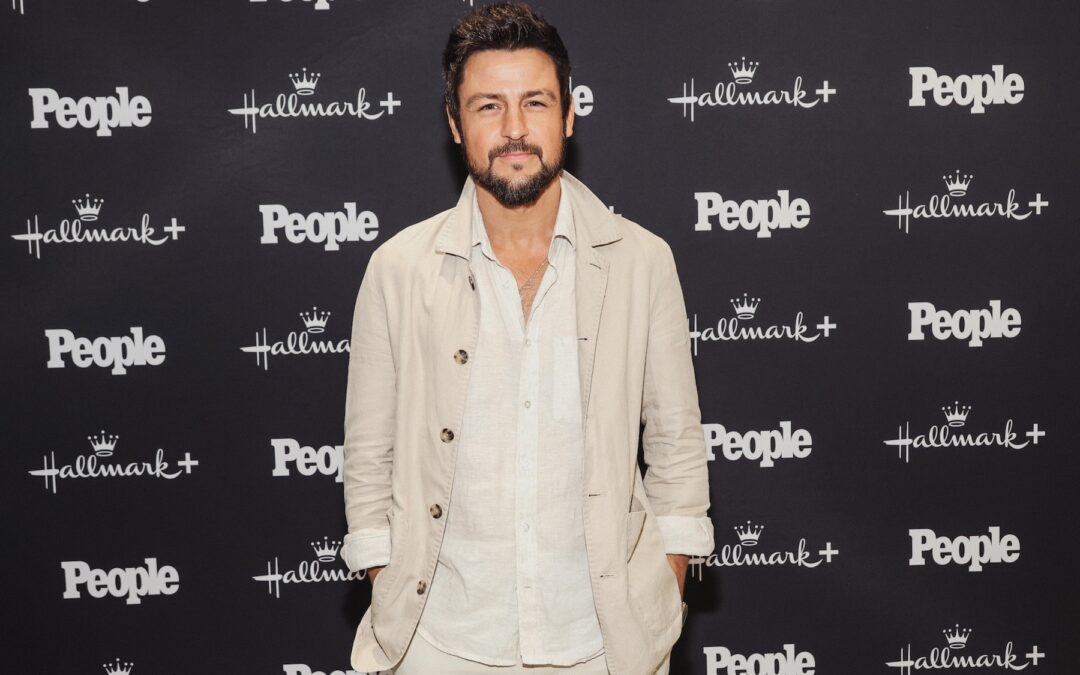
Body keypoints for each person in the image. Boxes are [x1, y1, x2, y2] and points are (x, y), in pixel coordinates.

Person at [339, 4, 714, 674]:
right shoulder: (398, 270)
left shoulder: (642, 262)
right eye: (488, 106)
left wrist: (665, 590)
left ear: (568, 114)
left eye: (535, 102)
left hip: (603, 649)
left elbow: (677, 451)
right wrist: (385, 580)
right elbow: (369, 459)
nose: (514, 129)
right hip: (438, 647)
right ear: (455, 123)